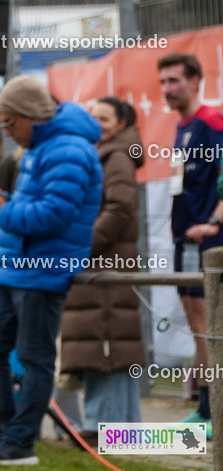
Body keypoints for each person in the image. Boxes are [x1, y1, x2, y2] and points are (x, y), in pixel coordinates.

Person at [0, 75, 102, 465]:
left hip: (43, 270)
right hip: (15, 268)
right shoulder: (41, 146)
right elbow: (38, 204)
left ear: (30, 117)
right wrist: (4, 201)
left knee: (35, 357)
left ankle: (20, 443)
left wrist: (1, 211)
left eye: (9, 123)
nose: (7, 132)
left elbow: (55, 215)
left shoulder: (69, 149)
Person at [59, 97, 144, 442]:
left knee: (107, 343)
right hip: (99, 264)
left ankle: (105, 427)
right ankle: (124, 430)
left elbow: (120, 209)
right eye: (93, 116)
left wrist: (83, 247)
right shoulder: (104, 154)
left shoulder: (117, 156)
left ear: (121, 124)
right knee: (105, 343)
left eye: (104, 118)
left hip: (105, 265)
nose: (97, 123)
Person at [158, 53, 219, 437]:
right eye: (163, 82)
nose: (167, 89)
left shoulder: (212, 123)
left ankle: (214, 411)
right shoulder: (182, 128)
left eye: (174, 81)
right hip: (185, 242)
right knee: (199, 328)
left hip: (211, 243)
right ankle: (206, 408)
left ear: (196, 81)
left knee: (211, 326)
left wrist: (213, 223)